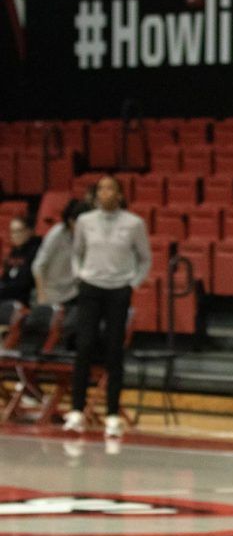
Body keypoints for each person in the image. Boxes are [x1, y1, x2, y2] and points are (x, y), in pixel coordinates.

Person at [62, 176, 150, 440]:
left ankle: (112, 414)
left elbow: (144, 258)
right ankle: (77, 409)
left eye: (110, 188)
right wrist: (80, 275)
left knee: (114, 349)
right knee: (85, 344)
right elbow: (76, 252)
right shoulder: (85, 222)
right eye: (100, 188)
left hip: (118, 290)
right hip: (90, 287)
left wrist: (132, 283)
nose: (105, 192)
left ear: (120, 194)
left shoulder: (134, 223)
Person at [32, 200, 89, 306]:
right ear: (71, 221)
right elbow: (38, 266)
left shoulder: (86, 237)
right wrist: (41, 295)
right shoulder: (57, 234)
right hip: (51, 293)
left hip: (73, 291)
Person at [0, 217, 41, 305]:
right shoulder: (14, 251)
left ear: (29, 231)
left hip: (26, 295)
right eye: (12, 231)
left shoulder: (36, 250)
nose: (15, 235)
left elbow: (26, 281)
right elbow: (5, 277)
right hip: (9, 292)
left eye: (18, 231)